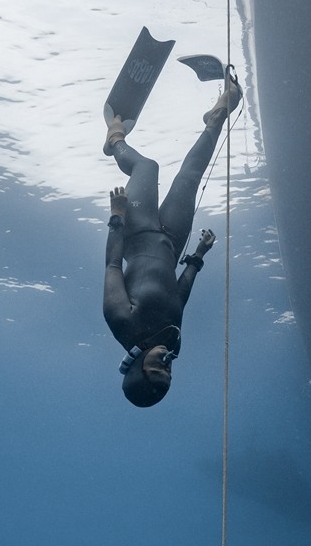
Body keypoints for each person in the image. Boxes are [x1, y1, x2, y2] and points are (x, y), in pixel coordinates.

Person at [103, 69, 242, 406]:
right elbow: (179, 297)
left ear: (136, 368)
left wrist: (117, 216)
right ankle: (217, 115)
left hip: (136, 230)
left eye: (158, 369)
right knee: (191, 176)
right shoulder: (173, 342)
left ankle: (115, 140)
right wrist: (197, 255)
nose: (167, 362)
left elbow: (112, 266)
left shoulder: (122, 322)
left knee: (147, 167)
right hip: (173, 240)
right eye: (170, 371)